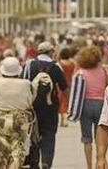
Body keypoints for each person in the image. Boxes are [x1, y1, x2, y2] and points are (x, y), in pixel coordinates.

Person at [22, 41, 68, 169]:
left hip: (32, 106)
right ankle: (47, 161)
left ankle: (34, 162)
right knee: (49, 134)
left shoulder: (30, 64)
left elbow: (23, 83)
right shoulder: (56, 66)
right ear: (51, 52)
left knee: (32, 134)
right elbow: (64, 88)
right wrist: (67, 103)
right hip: (51, 106)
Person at [72, 46, 108, 169]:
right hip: (100, 104)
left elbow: (75, 89)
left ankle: (88, 166)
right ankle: (100, 162)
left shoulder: (81, 72)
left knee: (86, 138)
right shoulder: (102, 70)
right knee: (99, 137)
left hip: (85, 104)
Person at [0, 57, 34, 169]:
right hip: (19, 119)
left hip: (0, 118)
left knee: (2, 152)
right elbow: (29, 102)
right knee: (17, 151)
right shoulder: (26, 83)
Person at [57, 47, 75, 128]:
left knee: (60, 102)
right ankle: (63, 119)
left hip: (59, 84)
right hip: (69, 84)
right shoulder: (72, 64)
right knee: (66, 102)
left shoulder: (59, 64)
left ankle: (63, 119)